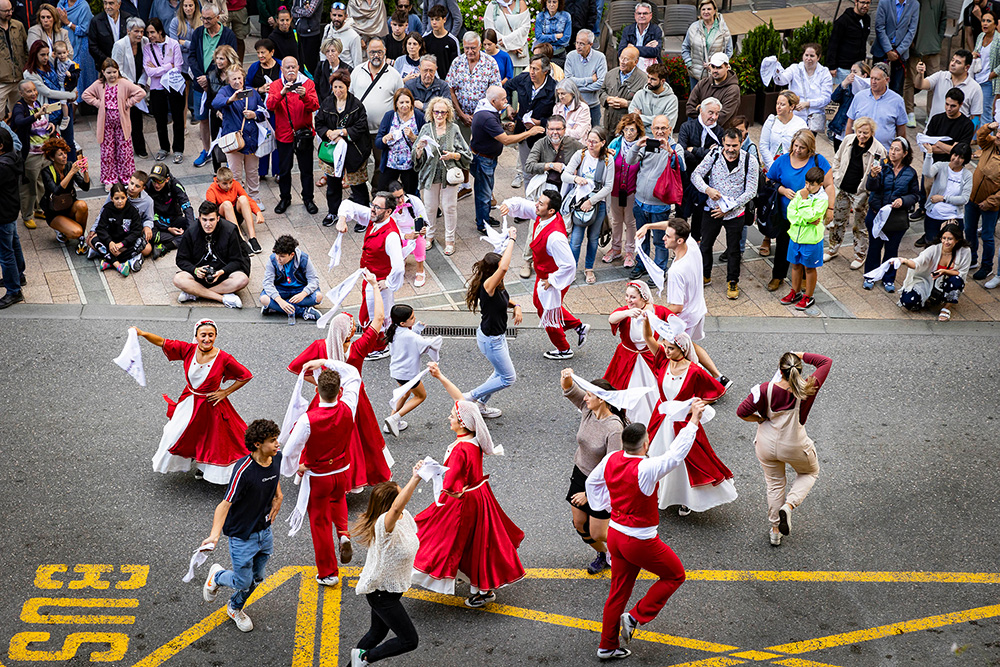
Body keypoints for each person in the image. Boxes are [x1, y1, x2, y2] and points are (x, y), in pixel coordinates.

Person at [584, 405, 706, 661]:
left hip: (615, 535)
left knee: (617, 592)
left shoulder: (611, 459)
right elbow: (676, 454)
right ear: (646, 443)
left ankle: (607, 645)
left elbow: (591, 483)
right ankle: (637, 615)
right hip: (639, 540)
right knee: (675, 575)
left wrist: (605, 506)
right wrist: (694, 418)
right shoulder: (647, 468)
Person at [412, 363, 526, 609]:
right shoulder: (472, 439)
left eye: (453, 417)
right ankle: (481, 587)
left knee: (444, 537)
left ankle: (478, 588)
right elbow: (462, 401)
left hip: (464, 501)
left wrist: (426, 473)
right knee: (480, 543)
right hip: (478, 495)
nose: (449, 418)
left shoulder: (461, 448)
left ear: (462, 423)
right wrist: (441, 376)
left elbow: (451, 485)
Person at [286, 273, 394, 488]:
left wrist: (318, 383)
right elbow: (379, 318)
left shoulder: (319, 347)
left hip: (324, 397)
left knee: (322, 436)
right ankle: (355, 478)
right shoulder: (357, 349)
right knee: (359, 439)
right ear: (349, 334)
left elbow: (296, 368)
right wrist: (374, 285)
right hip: (354, 400)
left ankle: (318, 471)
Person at [134, 319, 254, 483]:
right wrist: (142, 333)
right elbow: (162, 342)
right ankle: (191, 458)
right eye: (203, 335)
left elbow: (245, 375)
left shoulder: (224, 357)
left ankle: (204, 468)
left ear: (215, 336)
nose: (207, 339)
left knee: (213, 440)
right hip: (190, 401)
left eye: (211, 335)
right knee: (175, 432)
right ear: (196, 336)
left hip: (211, 405)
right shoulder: (188, 349)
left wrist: (225, 392)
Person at [738, 351, 832, 547]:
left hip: (766, 443)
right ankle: (789, 506)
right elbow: (826, 362)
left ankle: (774, 531)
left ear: (780, 371)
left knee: (774, 483)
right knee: (810, 472)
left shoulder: (764, 389)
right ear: (798, 371)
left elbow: (742, 412)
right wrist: (801, 354)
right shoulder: (807, 387)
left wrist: (759, 419)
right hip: (794, 443)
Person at [282, 363, 364, 586]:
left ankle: (328, 572)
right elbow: (354, 375)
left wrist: (295, 468)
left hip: (318, 476)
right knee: (339, 500)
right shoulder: (349, 405)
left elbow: (289, 450)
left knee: (319, 522)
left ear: (317, 391)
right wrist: (324, 361)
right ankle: (344, 533)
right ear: (340, 391)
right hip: (342, 471)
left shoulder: (308, 419)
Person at [199, 418, 282, 633]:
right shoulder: (243, 470)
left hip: (265, 531)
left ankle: (234, 607)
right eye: (273, 441)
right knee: (243, 582)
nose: (277, 444)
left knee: (256, 578)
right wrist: (214, 534)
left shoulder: (276, 457)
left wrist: (278, 495)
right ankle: (216, 576)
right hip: (242, 536)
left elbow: (274, 476)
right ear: (257, 444)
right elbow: (225, 504)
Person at [635, 218, 729, 385]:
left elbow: (677, 307)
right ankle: (719, 377)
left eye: (667, 236)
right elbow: (671, 226)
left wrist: (654, 313)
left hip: (683, 320)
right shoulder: (691, 243)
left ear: (679, 240)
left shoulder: (676, 272)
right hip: (697, 309)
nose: (663, 238)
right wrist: (648, 226)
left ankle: (709, 385)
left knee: (681, 358)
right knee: (691, 346)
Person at [349, 471, 424, 667]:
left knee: (376, 633)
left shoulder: (404, 517)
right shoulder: (384, 525)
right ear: (392, 505)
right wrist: (415, 477)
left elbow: (401, 510)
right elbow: (398, 506)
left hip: (390, 590)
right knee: (409, 640)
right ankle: (366, 658)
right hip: (381, 594)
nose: (406, 498)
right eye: (401, 496)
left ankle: (355, 664)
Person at [560, 368, 624, 575]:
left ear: (602, 400)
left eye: (589, 394)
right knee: (579, 524)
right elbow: (570, 390)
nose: (585, 397)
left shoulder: (614, 428)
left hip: (601, 484)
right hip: (580, 473)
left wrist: (590, 494)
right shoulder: (588, 409)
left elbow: (614, 467)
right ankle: (603, 554)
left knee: (598, 532)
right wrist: (566, 378)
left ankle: (619, 551)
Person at [691, 128, 758, 300]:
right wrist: (707, 189)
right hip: (712, 209)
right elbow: (696, 175)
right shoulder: (713, 155)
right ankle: (705, 274)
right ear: (722, 141)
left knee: (734, 250)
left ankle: (733, 280)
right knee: (705, 245)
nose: (730, 149)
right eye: (727, 145)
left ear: (741, 142)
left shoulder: (750, 160)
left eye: (734, 145)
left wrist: (728, 208)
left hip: (735, 213)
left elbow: (751, 191)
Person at [765, 129, 834, 293]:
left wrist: (830, 209)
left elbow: (829, 184)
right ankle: (778, 275)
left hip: (810, 216)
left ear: (809, 148)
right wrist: (782, 190)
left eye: (802, 147)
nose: (797, 150)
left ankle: (804, 277)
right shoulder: (782, 161)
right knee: (783, 246)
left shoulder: (818, 160)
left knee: (806, 246)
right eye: (795, 146)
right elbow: (769, 179)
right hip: (786, 213)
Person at [470, 85, 544, 233]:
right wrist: (530, 132)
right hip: (483, 161)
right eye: (503, 99)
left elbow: (493, 130)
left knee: (486, 190)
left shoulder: (489, 110)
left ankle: (483, 217)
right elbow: (506, 140)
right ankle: (483, 224)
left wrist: (503, 126)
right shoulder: (487, 117)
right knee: (484, 194)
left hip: (487, 158)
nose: (506, 101)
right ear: (492, 101)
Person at [464, 233, 521, 417]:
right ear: (493, 272)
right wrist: (512, 239)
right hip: (491, 339)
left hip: (496, 335)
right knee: (508, 378)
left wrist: (517, 306)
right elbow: (504, 267)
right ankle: (471, 397)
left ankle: (480, 405)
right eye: (499, 270)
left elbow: (504, 301)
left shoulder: (496, 286)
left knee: (499, 373)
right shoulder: (488, 285)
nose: (502, 272)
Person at [335, 191, 404, 338]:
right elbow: (348, 205)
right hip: (370, 280)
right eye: (372, 205)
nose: (372, 209)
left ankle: (379, 347)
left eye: (377, 207)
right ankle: (376, 345)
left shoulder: (391, 235)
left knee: (377, 315)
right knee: (372, 313)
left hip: (378, 284)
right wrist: (342, 219)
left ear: (388, 212)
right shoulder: (375, 218)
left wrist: (388, 283)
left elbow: (398, 266)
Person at [603, 280, 673, 427]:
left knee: (655, 391)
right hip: (626, 357)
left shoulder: (657, 311)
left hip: (650, 357)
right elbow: (611, 318)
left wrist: (666, 343)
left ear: (643, 298)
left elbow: (674, 324)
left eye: (633, 297)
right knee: (621, 388)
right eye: (627, 296)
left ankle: (653, 420)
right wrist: (627, 313)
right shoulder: (625, 311)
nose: (628, 300)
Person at [628, 114, 685, 275]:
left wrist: (669, 152)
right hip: (640, 202)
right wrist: (637, 145)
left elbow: (682, 166)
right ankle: (642, 265)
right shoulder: (648, 145)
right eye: (656, 128)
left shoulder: (676, 147)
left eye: (663, 128)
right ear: (651, 129)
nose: (660, 132)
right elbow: (630, 160)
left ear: (670, 129)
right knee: (642, 238)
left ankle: (659, 271)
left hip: (660, 205)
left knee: (661, 241)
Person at [862, 137, 920, 292]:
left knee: (891, 250)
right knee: (874, 247)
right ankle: (870, 275)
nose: (893, 152)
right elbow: (871, 188)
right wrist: (872, 176)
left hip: (896, 219)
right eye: (892, 148)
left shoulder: (910, 173)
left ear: (905, 153)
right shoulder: (881, 166)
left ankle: (889, 279)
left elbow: (915, 195)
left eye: (897, 150)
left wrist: (903, 200)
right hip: (876, 215)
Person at [413, 95, 469, 252]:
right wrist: (419, 148)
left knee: (449, 207)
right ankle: (429, 236)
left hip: (448, 175)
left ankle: (450, 240)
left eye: (443, 112)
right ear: (431, 112)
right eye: (436, 112)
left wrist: (452, 155)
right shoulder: (426, 128)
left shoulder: (454, 129)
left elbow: (466, 154)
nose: (439, 115)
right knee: (430, 207)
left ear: (448, 113)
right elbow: (416, 156)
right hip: (430, 175)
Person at [826, 117, 885, 269]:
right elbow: (837, 159)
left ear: (872, 132)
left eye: (866, 133)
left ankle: (860, 255)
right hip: (843, 188)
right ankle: (833, 248)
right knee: (838, 220)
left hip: (861, 192)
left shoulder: (878, 150)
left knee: (859, 226)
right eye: (859, 132)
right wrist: (837, 175)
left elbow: (880, 174)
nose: (862, 136)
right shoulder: (848, 140)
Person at [316, 68, 371, 225]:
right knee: (333, 184)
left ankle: (363, 216)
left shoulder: (356, 105)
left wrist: (344, 132)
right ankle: (333, 212)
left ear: (347, 87)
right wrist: (328, 133)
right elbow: (319, 122)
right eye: (335, 87)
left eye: (341, 87)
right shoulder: (327, 103)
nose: (338, 90)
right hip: (333, 151)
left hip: (354, 150)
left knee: (357, 185)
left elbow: (361, 126)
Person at [173, 200, 251, 308]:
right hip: (199, 275)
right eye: (204, 220)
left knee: (242, 279)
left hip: (223, 274)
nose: (208, 224)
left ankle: (196, 293)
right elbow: (181, 259)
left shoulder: (230, 230)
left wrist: (222, 272)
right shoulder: (191, 231)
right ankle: (222, 298)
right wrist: (195, 270)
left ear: (218, 218)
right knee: (178, 279)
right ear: (199, 218)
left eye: (212, 220)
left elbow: (238, 260)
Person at [187, 3, 237, 168]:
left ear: (218, 17)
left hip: (219, 85)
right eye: (203, 18)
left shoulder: (228, 34)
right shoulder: (198, 32)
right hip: (200, 84)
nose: (205, 21)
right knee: (202, 119)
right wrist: (201, 77)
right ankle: (206, 150)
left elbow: (231, 59)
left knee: (221, 118)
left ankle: (226, 150)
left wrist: (210, 78)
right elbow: (192, 55)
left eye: (208, 18)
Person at [350, 38, 404, 190]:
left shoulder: (394, 75)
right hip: (359, 129)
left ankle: (377, 192)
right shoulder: (357, 71)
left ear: (385, 52)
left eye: (379, 52)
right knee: (358, 162)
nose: (376, 55)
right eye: (373, 52)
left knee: (382, 164)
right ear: (367, 52)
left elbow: (401, 101)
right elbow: (350, 97)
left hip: (382, 131)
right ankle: (359, 195)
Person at [214, 66, 266, 224]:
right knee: (235, 174)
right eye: (234, 79)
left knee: (252, 171)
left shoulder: (252, 91)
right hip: (233, 141)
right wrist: (231, 99)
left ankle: (254, 198)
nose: (237, 81)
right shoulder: (225, 91)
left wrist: (254, 114)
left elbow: (263, 111)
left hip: (251, 139)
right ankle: (236, 199)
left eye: (239, 78)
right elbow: (216, 103)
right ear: (228, 80)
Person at [267, 56, 318, 215]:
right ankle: (285, 198)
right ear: (282, 70)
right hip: (284, 135)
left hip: (303, 134)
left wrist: (305, 96)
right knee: (284, 169)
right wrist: (282, 93)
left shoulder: (307, 84)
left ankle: (308, 198)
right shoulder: (276, 85)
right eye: (287, 67)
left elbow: (315, 106)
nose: (290, 70)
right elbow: (270, 105)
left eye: (293, 67)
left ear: (298, 68)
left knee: (306, 169)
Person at [563, 126, 613, 283]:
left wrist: (591, 201)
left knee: (593, 238)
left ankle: (589, 269)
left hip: (599, 203)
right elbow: (565, 174)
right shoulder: (581, 154)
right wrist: (575, 179)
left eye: (594, 142)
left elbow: (608, 186)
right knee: (576, 239)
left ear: (603, 143)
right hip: (580, 201)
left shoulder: (607, 160)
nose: (590, 144)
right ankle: (571, 269)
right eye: (588, 141)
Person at [383, 303, 442, 435]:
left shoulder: (393, 330)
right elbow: (427, 344)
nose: (414, 319)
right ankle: (394, 419)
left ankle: (391, 423)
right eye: (412, 318)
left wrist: (416, 328)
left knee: (405, 394)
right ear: (403, 323)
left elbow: (409, 339)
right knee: (421, 396)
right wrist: (438, 340)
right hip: (408, 374)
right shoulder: (411, 336)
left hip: (397, 371)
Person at [780, 166, 828, 310]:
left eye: (811, 184)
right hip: (795, 237)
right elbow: (791, 214)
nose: (807, 187)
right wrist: (805, 220)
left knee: (809, 268)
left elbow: (813, 215)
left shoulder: (822, 199)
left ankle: (808, 296)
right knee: (795, 265)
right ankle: (795, 292)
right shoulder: (801, 193)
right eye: (806, 183)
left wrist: (805, 202)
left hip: (811, 240)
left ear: (820, 185)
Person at [899, 223, 972, 319]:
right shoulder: (934, 249)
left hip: (948, 281)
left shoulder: (965, 251)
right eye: (944, 238)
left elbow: (962, 273)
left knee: (956, 280)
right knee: (908, 302)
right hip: (929, 280)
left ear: (957, 240)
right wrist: (905, 261)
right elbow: (917, 262)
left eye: (950, 239)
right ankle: (928, 297)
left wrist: (944, 272)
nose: (946, 242)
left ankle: (947, 307)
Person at [504, 56, 556, 190]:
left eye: (536, 69)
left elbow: (558, 116)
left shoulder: (554, 88)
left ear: (545, 71)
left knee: (543, 172)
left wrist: (540, 122)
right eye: (531, 67)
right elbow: (507, 87)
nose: (531, 72)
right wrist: (508, 105)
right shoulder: (523, 79)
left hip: (544, 137)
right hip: (524, 133)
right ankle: (529, 202)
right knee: (527, 171)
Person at [13, 80, 58, 227]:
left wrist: (50, 125)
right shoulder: (19, 108)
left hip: (44, 152)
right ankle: (27, 215)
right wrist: (37, 115)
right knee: (28, 186)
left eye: (34, 90)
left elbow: (42, 122)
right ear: (21, 93)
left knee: (41, 183)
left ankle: (39, 208)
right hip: (31, 154)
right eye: (28, 91)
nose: (33, 93)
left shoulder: (37, 103)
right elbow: (19, 122)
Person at [141, 18, 183, 163]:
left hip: (173, 86)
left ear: (160, 31)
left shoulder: (174, 44)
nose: (150, 35)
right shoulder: (147, 47)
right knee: (160, 119)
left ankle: (178, 149)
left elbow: (178, 67)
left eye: (152, 32)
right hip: (156, 87)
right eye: (148, 33)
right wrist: (167, 67)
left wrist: (158, 69)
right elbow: (148, 71)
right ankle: (163, 147)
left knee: (178, 118)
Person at [448, 30, 501, 142]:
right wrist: (462, 115)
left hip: (484, 116)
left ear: (480, 46)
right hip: (460, 117)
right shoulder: (457, 62)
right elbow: (450, 89)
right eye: (467, 48)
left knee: (483, 151)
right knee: (461, 150)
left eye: (473, 48)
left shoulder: (490, 63)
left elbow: (496, 92)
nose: (470, 51)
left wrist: (476, 114)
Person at [918, 140, 973, 248]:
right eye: (955, 155)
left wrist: (943, 198)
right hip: (933, 215)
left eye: (961, 157)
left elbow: (964, 199)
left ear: (965, 160)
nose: (956, 159)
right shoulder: (941, 166)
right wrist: (929, 154)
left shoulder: (967, 175)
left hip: (953, 217)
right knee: (931, 248)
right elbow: (927, 173)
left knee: (950, 249)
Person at [845, 63, 907, 156]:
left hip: (883, 153)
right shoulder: (859, 96)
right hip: (859, 151)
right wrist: (847, 147)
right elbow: (850, 123)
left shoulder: (897, 101)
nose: (873, 82)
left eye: (877, 79)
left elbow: (901, 130)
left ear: (887, 80)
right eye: (871, 78)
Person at [965, 121, 1000, 280]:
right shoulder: (991, 144)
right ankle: (971, 258)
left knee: (987, 235)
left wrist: (990, 202)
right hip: (972, 198)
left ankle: (987, 266)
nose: (997, 135)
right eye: (998, 132)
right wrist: (988, 127)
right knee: (969, 229)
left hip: (990, 205)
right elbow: (980, 136)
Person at [905, 0, 948, 126]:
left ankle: (930, 115)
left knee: (934, 83)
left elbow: (943, 20)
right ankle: (910, 113)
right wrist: (911, 42)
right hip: (915, 48)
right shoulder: (913, 1)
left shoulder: (940, 1)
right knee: (910, 80)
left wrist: (938, 40)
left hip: (933, 48)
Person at [772, 43, 833, 134]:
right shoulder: (794, 68)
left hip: (813, 119)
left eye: (812, 56)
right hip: (794, 116)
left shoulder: (824, 73)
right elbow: (781, 80)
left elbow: (826, 99)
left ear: (818, 57)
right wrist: (776, 71)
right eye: (806, 55)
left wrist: (808, 103)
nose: (808, 59)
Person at [258, 234, 322, 320]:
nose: (278, 259)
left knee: (318, 297)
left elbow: (314, 280)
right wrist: (280, 301)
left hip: (300, 290)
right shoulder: (272, 259)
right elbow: (267, 282)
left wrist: (304, 294)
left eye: (282, 256)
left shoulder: (304, 259)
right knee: (264, 299)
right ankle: (304, 312)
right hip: (281, 290)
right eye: (277, 254)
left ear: (292, 254)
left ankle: (275, 307)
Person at [111, 16, 148, 158]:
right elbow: (116, 68)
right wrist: (132, 85)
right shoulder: (119, 45)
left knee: (137, 118)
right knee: (125, 119)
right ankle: (123, 150)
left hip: (139, 85)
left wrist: (141, 83)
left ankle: (139, 148)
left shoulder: (145, 42)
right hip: (124, 87)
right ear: (128, 31)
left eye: (142, 31)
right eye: (136, 31)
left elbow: (147, 65)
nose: (139, 34)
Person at [39, 135, 88, 244]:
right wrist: (71, 173)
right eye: (60, 154)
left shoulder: (70, 165)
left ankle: (81, 239)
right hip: (54, 212)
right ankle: (62, 230)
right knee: (76, 232)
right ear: (52, 158)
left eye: (65, 153)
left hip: (69, 205)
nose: (64, 156)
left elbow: (85, 187)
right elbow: (56, 191)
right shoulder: (46, 171)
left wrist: (85, 171)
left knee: (82, 205)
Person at [912, 52, 983, 126]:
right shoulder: (940, 76)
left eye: (958, 62)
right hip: (933, 132)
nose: (952, 64)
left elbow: (976, 117)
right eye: (952, 60)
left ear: (967, 67)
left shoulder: (975, 88)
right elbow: (919, 85)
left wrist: (967, 135)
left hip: (956, 134)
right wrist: (920, 74)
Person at [375, 87, 424, 192]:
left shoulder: (419, 117)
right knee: (383, 192)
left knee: (410, 195)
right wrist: (385, 139)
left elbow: (426, 141)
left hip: (410, 165)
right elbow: (378, 142)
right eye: (401, 102)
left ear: (412, 103)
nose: (404, 105)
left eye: (407, 102)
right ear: (396, 103)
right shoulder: (389, 116)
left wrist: (413, 137)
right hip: (390, 163)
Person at [205, 165, 264, 251]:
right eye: (225, 183)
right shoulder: (211, 190)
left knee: (243, 199)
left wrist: (258, 212)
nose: (228, 186)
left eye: (230, 182)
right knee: (227, 204)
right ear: (217, 181)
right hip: (223, 220)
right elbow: (212, 211)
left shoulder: (235, 184)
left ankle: (252, 238)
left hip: (235, 215)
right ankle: (240, 240)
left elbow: (248, 199)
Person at [92, 181, 145, 275]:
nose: (120, 201)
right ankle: (119, 265)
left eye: (123, 198)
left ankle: (110, 261)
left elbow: (136, 231)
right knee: (94, 240)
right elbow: (100, 228)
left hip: (125, 243)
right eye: (116, 198)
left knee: (142, 243)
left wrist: (122, 244)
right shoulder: (107, 209)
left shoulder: (132, 211)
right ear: (111, 198)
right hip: (111, 242)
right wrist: (110, 242)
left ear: (127, 197)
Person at [144, 162, 193, 258]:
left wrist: (191, 228)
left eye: (160, 181)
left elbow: (187, 207)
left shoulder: (175, 185)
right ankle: (177, 239)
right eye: (154, 180)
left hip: (174, 218)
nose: (156, 184)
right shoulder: (147, 186)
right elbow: (148, 215)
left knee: (196, 227)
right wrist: (168, 229)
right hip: (156, 221)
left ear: (167, 179)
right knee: (148, 234)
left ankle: (166, 246)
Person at [681, 0, 731, 92]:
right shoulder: (693, 27)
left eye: (709, 9)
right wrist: (689, 64)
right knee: (695, 102)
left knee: (713, 103)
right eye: (703, 9)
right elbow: (685, 47)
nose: (706, 12)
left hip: (716, 76)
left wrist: (716, 66)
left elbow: (729, 51)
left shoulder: (723, 29)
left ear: (715, 11)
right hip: (696, 74)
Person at [870, 0, 918, 94]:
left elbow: (912, 31)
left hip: (901, 51)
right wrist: (888, 50)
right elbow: (879, 27)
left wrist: (898, 51)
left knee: (896, 89)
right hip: (882, 49)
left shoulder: (914, 4)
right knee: (876, 86)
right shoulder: (884, 2)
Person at [387, 180, 428, 286]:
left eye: (401, 196)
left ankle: (420, 270)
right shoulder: (388, 208)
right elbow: (390, 228)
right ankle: (400, 261)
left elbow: (425, 221)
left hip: (414, 231)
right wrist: (405, 236)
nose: (400, 200)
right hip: (398, 234)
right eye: (396, 198)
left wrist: (422, 230)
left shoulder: (414, 201)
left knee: (418, 240)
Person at [0, 127, 24, 309]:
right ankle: (19, 275)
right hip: (11, 210)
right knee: (14, 243)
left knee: (5, 253)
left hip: (2, 214)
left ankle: (13, 290)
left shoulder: (2, 167)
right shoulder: (13, 157)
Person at [759, 91, 808, 176]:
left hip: (791, 169)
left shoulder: (801, 124)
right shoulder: (771, 120)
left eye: (782, 104)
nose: (778, 107)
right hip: (769, 166)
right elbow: (763, 145)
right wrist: (772, 166)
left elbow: (803, 149)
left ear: (791, 106)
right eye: (777, 103)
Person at [564, 29, 606, 129]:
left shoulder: (600, 57)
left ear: (590, 44)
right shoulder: (571, 56)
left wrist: (577, 88)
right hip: (574, 105)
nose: (578, 46)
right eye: (577, 43)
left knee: (594, 135)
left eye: (582, 44)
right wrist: (590, 79)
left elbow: (601, 83)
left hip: (592, 105)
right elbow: (568, 81)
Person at [58, 0, 97, 106]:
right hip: (64, 43)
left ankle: (74, 111)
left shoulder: (83, 5)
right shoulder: (61, 4)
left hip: (80, 46)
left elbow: (85, 29)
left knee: (76, 77)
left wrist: (67, 22)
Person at [600, 45, 645, 135]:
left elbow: (644, 104)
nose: (622, 62)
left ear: (635, 62)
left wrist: (627, 104)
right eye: (621, 58)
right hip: (609, 125)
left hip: (628, 129)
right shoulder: (610, 74)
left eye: (626, 59)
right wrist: (607, 99)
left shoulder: (643, 80)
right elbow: (601, 91)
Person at [686, 52, 739, 128]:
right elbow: (689, 109)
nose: (715, 70)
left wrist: (699, 109)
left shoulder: (733, 90)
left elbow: (721, 118)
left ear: (727, 67)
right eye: (713, 67)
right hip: (698, 131)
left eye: (719, 67)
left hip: (720, 135)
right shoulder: (703, 83)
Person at [827, 0, 872, 87]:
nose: (865, 5)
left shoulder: (867, 19)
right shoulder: (843, 21)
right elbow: (833, 44)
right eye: (863, 2)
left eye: (868, 3)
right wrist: (832, 66)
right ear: (856, 2)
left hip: (859, 67)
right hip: (844, 68)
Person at [828, 61, 871, 152]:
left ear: (864, 75)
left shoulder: (870, 92)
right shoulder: (848, 88)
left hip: (859, 133)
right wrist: (843, 84)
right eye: (850, 71)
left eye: (855, 72)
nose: (851, 75)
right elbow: (834, 98)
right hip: (841, 129)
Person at [627, 61, 677, 135]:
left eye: (653, 79)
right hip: (641, 138)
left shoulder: (672, 100)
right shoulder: (640, 94)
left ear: (662, 81)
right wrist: (658, 120)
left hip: (661, 140)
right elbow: (632, 119)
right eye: (648, 78)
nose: (649, 81)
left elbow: (668, 125)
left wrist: (640, 117)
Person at [88, 0, 132, 83]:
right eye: (105, 3)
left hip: (127, 67)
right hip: (106, 69)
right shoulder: (96, 21)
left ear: (119, 4)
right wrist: (108, 61)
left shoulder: (128, 19)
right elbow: (92, 46)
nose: (107, 7)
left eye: (111, 3)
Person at [483, 0, 529, 76]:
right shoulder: (492, 6)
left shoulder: (521, 3)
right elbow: (490, 31)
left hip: (518, 57)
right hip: (500, 58)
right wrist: (509, 46)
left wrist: (510, 44)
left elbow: (525, 28)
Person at [617, 2, 661, 72]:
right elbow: (621, 51)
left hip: (649, 69)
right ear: (635, 15)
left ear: (651, 15)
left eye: (645, 13)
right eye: (639, 13)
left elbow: (655, 52)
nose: (641, 16)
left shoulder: (656, 30)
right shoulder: (628, 30)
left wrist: (632, 48)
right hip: (630, 66)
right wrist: (646, 49)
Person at [972, 10, 998, 126]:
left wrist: (993, 74)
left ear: (995, 24)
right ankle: (976, 137)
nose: (985, 24)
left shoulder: (998, 40)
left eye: (989, 21)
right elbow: (977, 51)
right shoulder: (981, 36)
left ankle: (987, 143)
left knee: (986, 112)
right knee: (975, 111)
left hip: (989, 81)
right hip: (977, 78)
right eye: (983, 21)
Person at [422, 5, 459, 79]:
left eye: (437, 19)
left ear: (444, 19)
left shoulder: (452, 41)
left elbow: (456, 64)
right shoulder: (425, 39)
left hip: (447, 82)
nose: (434, 22)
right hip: (428, 80)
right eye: (432, 19)